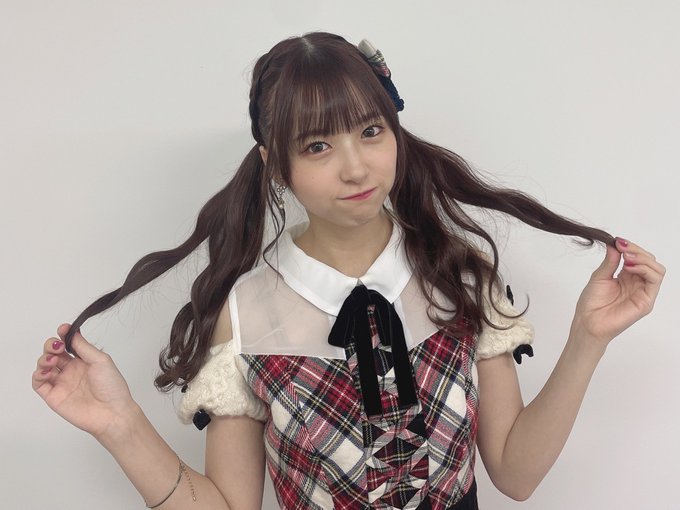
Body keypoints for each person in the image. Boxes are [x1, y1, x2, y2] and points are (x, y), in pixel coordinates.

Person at [32, 32, 665, 510]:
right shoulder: (247, 315)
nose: (356, 167)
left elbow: (516, 474)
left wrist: (588, 339)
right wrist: (120, 425)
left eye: (370, 131)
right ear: (275, 164)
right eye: (318, 146)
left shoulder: (457, 277)